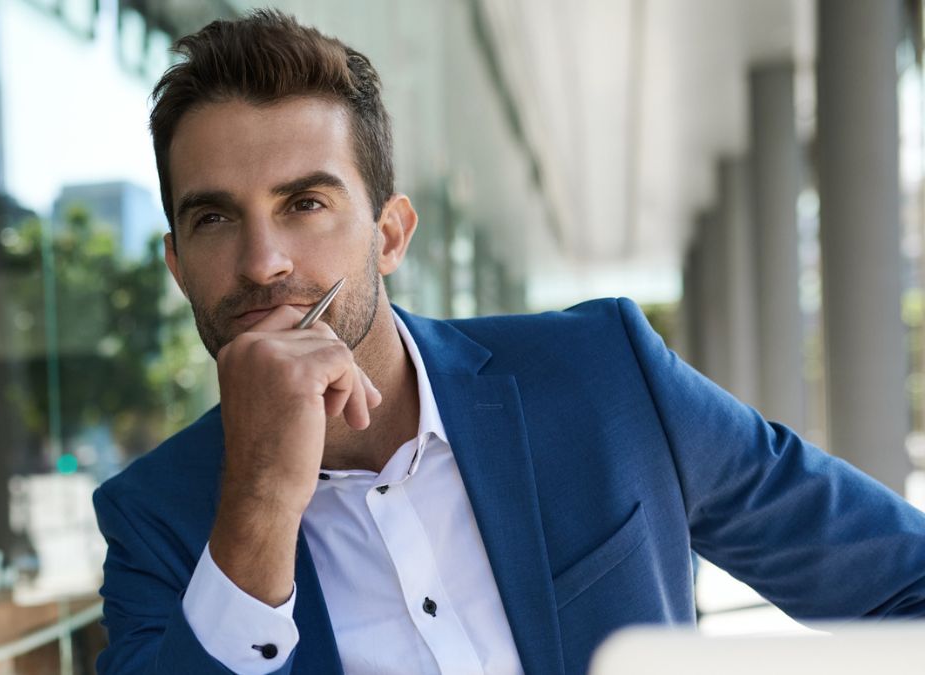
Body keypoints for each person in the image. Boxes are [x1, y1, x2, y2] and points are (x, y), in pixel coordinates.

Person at [92, 10, 925, 675]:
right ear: (176, 264)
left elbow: (902, 580)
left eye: (305, 203)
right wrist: (261, 502)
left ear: (390, 235)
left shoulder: (606, 374)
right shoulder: (152, 518)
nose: (263, 261)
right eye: (213, 218)